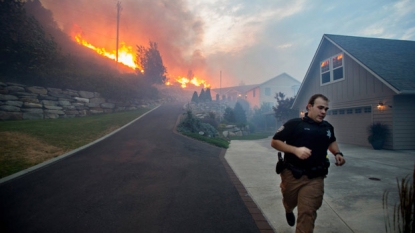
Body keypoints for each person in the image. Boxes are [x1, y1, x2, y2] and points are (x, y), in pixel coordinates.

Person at [271, 94, 345, 233]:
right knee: (289, 200)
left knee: (307, 213)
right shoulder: (294, 124)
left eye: (326, 109)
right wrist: (295, 150)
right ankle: (288, 209)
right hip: (292, 174)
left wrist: (337, 153)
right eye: (320, 107)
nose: (323, 112)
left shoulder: (327, 127)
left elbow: (331, 141)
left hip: (315, 177)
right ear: (309, 107)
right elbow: (275, 142)